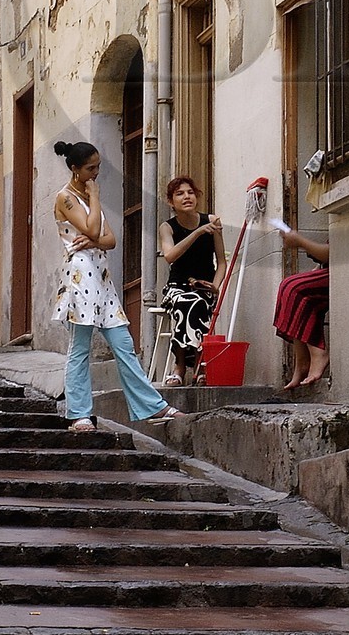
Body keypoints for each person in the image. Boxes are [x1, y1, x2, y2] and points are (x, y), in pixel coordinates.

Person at [52, 138, 179, 429]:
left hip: (101, 277)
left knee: (123, 343)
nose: (96, 173)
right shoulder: (66, 197)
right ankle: (79, 413)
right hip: (80, 275)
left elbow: (109, 240)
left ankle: (152, 406)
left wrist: (94, 238)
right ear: (75, 169)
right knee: (80, 347)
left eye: (98, 167)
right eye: (90, 168)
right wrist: (95, 199)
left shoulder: (86, 198)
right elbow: (93, 228)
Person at [158, 176, 226, 385]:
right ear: (171, 201)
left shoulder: (212, 221)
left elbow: (221, 262)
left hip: (205, 289)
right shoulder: (167, 227)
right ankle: (190, 364)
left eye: (190, 192)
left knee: (198, 302)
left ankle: (184, 366)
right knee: (188, 302)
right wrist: (197, 232)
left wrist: (215, 286)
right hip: (176, 288)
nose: (186, 197)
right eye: (179, 194)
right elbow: (170, 256)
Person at [274, 228, 330, 388]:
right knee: (288, 285)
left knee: (294, 288)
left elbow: (333, 253)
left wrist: (300, 241)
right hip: (331, 268)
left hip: (348, 270)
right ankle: (303, 362)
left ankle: (318, 353)